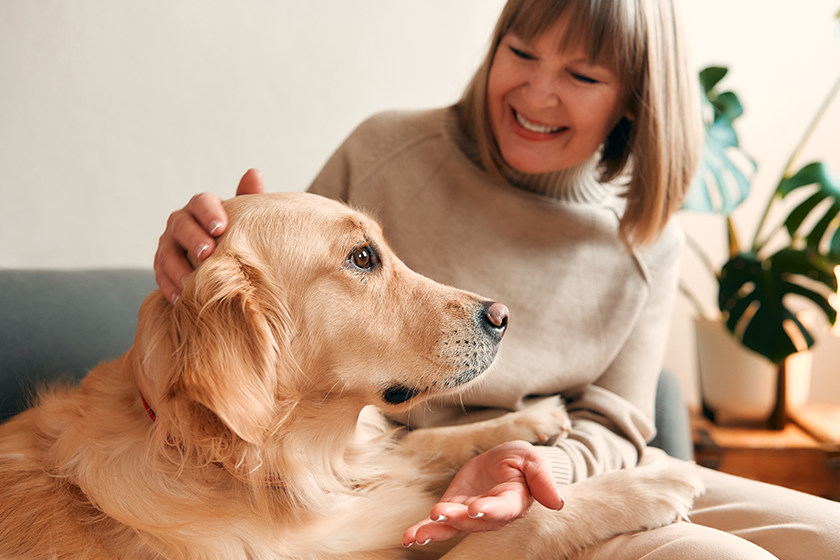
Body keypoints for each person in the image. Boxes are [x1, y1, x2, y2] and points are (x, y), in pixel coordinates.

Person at [154, 0, 840, 557]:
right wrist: (198, 254)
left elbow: (617, 420)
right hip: (416, 490)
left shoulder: (648, 238)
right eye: (521, 53)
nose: (537, 93)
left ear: (633, 100)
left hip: (565, 467)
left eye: (583, 76)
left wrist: (549, 472)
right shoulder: (385, 152)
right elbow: (273, 320)